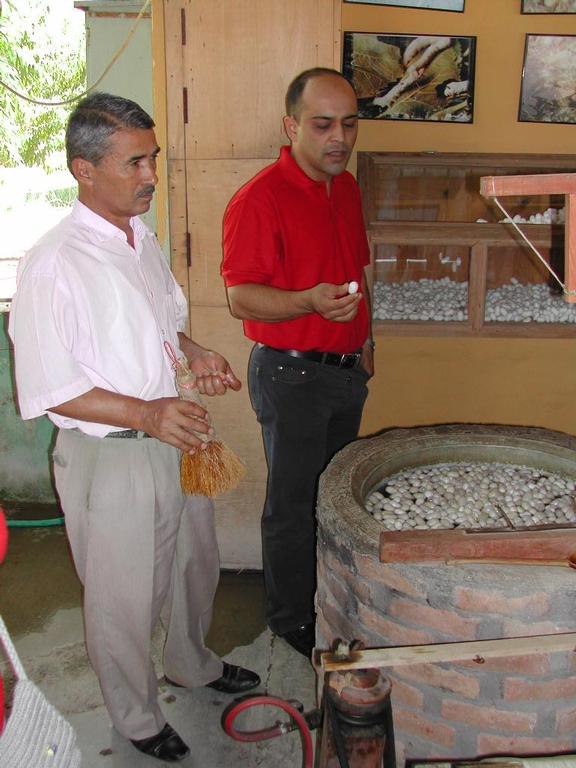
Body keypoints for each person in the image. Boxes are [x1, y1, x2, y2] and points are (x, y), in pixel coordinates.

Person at [9, 92, 260, 763]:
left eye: (152, 159)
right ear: (82, 170)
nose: (151, 175)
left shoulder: (139, 240)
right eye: (135, 163)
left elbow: (160, 325)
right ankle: (136, 715)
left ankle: (192, 664)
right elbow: (47, 386)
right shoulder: (53, 264)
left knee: (192, 565)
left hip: (173, 437)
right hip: (110, 456)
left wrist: (193, 352)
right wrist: (146, 413)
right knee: (123, 599)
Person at [221, 68, 373, 658]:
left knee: (336, 499)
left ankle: (330, 598)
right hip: (291, 374)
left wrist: (367, 339)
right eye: (323, 124)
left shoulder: (348, 188)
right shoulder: (259, 199)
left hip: (345, 371)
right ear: (292, 126)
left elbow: (359, 271)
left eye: (350, 123)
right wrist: (307, 303)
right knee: (294, 507)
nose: (340, 137)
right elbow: (240, 297)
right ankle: (291, 622)